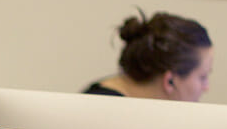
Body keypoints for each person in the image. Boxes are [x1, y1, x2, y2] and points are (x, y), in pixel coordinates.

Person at [83, 11, 213, 101]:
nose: (206, 88)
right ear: (169, 81)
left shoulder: (101, 98)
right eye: (202, 77)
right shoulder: (113, 122)